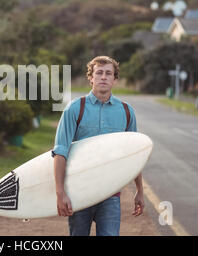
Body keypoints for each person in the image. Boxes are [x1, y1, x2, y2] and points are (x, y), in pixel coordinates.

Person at [52, 55, 144, 236]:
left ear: (115, 79)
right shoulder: (74, 109)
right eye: (99, 73)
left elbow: (134, 155)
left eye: (108, 73)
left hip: (110, 194)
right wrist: (60, 192)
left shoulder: (126, 111)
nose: (103, 77)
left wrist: (139, 190)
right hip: (80, 192)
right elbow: (60, 152)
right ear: (91, 78)